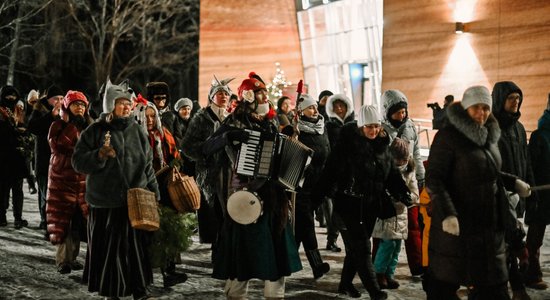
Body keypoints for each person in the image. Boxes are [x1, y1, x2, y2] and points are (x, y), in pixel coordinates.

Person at [425, 85, 531, 299]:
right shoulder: (448, 137)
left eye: (485, 108)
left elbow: (487, 172)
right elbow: (435, 178)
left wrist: (513, 182)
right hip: (458, 226)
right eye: (476, 108)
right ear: (465, 108)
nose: (481, 113)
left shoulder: (489, 136)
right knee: (447, 280)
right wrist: (448, 214)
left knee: (493, 285)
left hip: (488, 225)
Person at [203, 72, 302, 299]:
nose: (265, 96)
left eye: (265, 92)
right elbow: (206, 148)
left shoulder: (272, 121)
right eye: (261, 93)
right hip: (244, 193)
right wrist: (228, 137)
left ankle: (275, 293)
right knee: (243, 248)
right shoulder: (233, 121)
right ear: (248, 96)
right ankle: (237, 293)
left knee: (275, 246)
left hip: (274, 195)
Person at [72, 80, 159, 300]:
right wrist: (99, 155)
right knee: (111, 250)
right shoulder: (95, 130)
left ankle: (139, 289)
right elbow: (78, 162)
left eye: (128, 103)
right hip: (105, 202)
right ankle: (112, 292)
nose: (127, 107)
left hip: (135, 200)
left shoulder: (137, 130)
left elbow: (148, 164)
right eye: (121, 103)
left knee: (135, 249)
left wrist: (154, 192)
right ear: (110, 105)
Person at [314, 105, 411, 300]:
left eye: (376, 126)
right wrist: (316, 199)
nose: (374, 131)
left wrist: (402, 192)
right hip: (348, 205)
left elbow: (390, 174)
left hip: (370, 205)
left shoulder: (382, 145)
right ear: (360, 126)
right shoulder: (346, 146)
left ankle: (345, 284)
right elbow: (329, 173)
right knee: (363, 247)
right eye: (369, 127)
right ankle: (374, 291)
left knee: (355, 250)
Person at [491, 81, 537, 299]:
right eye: (511, 98)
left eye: (518, 98)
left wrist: (531, 188)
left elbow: (525, 161)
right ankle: (516, 289)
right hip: (501, 195)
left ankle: (515, 287)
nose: (516, 102)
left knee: (513, 240)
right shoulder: (492, 127)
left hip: (519, 194)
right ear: (500, 100)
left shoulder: (519, 128)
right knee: (506, 244)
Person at [136, 102, 189, 288]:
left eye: (153, 116)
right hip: (145, 187)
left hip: (166, 186)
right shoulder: (136, 135)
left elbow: (174, 153)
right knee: (148, 230)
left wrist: (175, 162)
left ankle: (169, 271)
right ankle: (145, 274)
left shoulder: (164, 133)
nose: (150, 120)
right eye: (146, 116)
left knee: (168, 228)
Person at [181, 76, 234, 244]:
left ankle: (225, 251)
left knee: (228, 212)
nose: (223, 97)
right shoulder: (201, 117)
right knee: (213, 214)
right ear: (212, 96)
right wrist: (206, 152)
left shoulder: (230, 118)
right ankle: (216, 252)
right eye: (219, 93)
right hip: (209, 173)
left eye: (226, 94)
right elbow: (187, 146)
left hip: (229, 171)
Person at [46, 90, 92, 274]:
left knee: (77, 221)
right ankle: (63, 260)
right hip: (62, 180)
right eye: (75, 104)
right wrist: (73, 125)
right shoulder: (58, 125)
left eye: (82, 105)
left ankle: (72, 258)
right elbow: (59, 145)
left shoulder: (88, 126)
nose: (79, 108)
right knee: (63, 221)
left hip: (82, 181)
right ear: (68, 106)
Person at [381, 89, 424, 277]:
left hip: (409, 180)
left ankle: (417, 265)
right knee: (386, 232)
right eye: (398, 112)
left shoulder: (410, 128)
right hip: (389, 185)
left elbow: (416, 154)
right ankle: (380, 270)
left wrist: (421, 176)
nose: (402, 115)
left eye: (404, 111)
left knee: (413, 226)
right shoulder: (382, 131)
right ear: (387, 112)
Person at [373, 137, 419, 290]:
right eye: (397, 159)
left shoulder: (410, 171)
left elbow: (415, 194)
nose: (400, 163)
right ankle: (379, 273)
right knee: (387, 245)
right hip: (387, 214)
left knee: (397, 247)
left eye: (403, 159)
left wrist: (407, 198)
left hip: (401, 215)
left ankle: (389, 273)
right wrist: (390, 196)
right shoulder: (385, 168)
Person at [293, 94, 331, 279]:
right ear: (301, 112)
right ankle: (317, 265)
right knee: (307, 222)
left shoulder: (322, 128)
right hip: (302, 185)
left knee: (301, 227)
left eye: (315, 107)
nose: (315, 111)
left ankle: (286, 258)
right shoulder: (297, 130)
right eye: (310, 108)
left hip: (319, 185)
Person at [321, 93, 356, 253]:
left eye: (342, 105)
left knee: (347, 209)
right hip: (336, 173)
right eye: (336, 106)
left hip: (353, 173)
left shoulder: (354, 124)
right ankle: (333, 239)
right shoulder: (329, 126)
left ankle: (347, 240)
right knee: (337, 210)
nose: (340, 109)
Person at [28, 85, 64, 233]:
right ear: (48, 100)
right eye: (56, 99)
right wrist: (51, 115)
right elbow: (33, 127)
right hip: (44, 160)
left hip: (59, 161)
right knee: (45, 194)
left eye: (61, 98)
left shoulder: (64, 111)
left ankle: (54, 221)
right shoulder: (39, 110)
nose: (59, 101)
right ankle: (45, 222)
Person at [524, 106, 550, 290]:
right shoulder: (540, 135)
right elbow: (531, 165)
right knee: (535, 236)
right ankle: (531, 272)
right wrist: (534, 194)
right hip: (542, 192)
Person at [0, 85, 29, 228]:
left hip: (17, 157)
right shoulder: (0, 112)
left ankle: (18, 217)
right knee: (3, 188)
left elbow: (26, 129)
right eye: (8, 96)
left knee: (18, 189)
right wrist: (13, 130)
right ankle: (1, 216)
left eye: (13, 95)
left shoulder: (20, 111)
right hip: (3, 156)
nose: (11, 98)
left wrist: (23, 132)